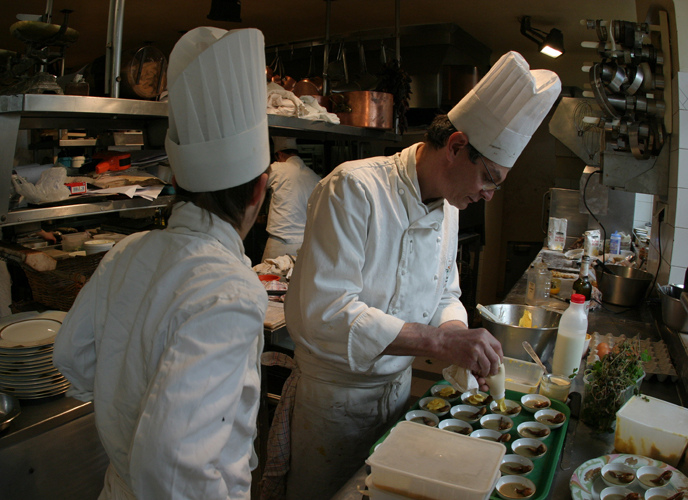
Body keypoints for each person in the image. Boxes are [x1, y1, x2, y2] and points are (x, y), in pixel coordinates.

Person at [283, 51, 561, 500]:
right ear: (455, 146)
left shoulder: (449, 206)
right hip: (335, 405)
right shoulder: (354, 189)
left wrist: (455, 333)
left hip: (395, 395)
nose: (488, 196)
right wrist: (438, 343)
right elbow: (325, 313)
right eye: (488, 179)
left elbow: (445, 289)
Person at [53, 27, 270, 500]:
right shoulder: (233, 290)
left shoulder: (128, 250)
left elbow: (70, 356)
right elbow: (171, 471)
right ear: (259, 190)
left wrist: (126, 394)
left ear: (178, 181)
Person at [261, 137, 320, 262]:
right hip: (305, 243)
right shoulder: (314, 177)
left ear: (280, 154)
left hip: (279, 244)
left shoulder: (277, 168)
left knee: (270, 279)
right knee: (296, 280)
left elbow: (256, 185)